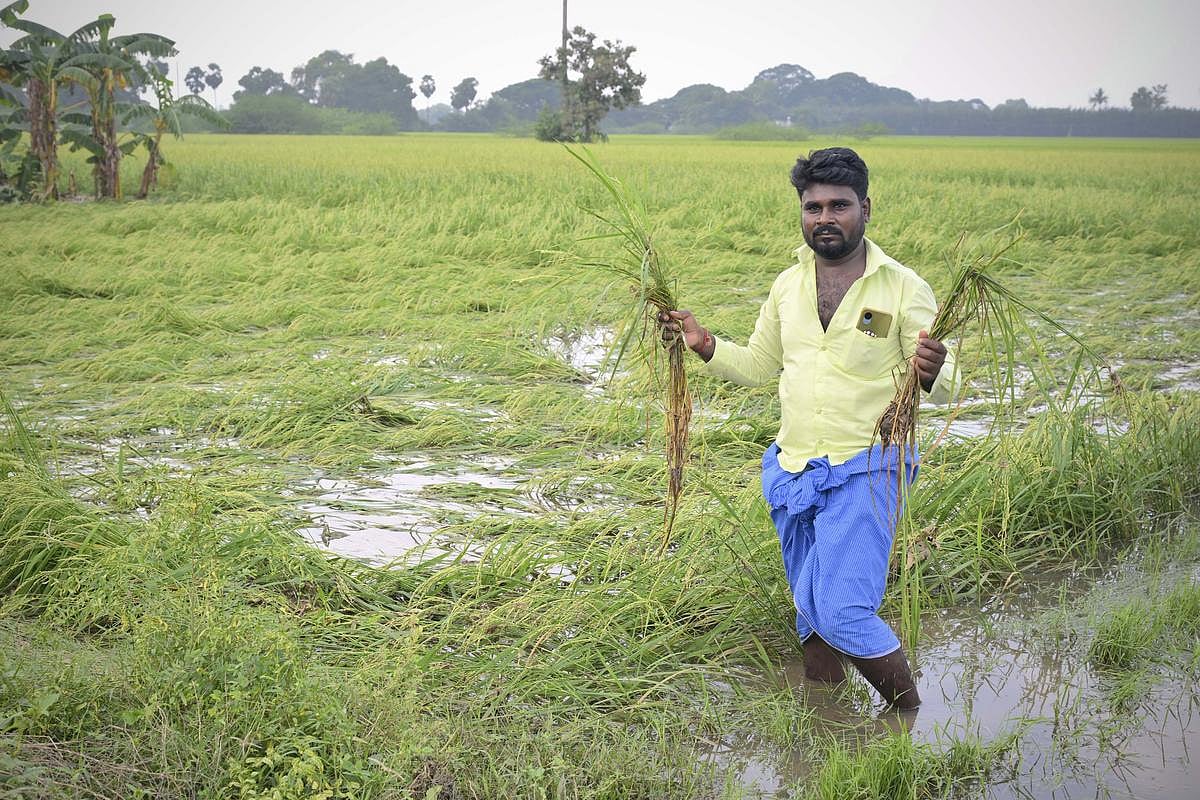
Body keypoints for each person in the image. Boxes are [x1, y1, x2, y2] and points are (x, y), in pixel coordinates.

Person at [659, 147, 955, 709]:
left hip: (869, 465)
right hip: (794, 469)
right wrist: (702, 343)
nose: (825, 218)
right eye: (813, 206)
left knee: (843, 608)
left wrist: (935, 370)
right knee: (812, 611)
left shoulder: (901, 288)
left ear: (865, 208)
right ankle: (826, 729)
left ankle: (911, 723)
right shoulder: (787, 286)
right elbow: (758, 365)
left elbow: (945, 378)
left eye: (838, 205)